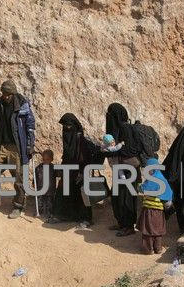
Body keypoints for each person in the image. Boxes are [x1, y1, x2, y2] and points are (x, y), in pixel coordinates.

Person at [0, 80, 35, 219]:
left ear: (13, 93)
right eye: (4, 94)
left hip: (17, 147)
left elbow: (30, 126)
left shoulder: (22, 104)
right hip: (1, 145)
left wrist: (30, 145)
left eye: (8, 94)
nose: (6, 96)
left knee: (19, 176)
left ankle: (18, 206)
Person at [49, 114, 104, 228]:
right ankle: (63, 215)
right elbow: (68, 155)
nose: (66, 129)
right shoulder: (68, 139)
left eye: (69, 126)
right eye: (64, 126)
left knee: (82, 194)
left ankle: (86, 219)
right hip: (68, 170)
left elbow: (92, 154)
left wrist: (83, 171)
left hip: (80, 171)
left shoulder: (81, 140)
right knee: (63, 191)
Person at [105, 103, 141, 236]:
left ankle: (129, 226)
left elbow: (132, 150)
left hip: (129, 170)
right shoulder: (115, 130)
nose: (108, 117)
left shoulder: (126, 129)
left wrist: (116, 150)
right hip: (119, 169)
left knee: (127, 198)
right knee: (117, 197)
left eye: (110, 115)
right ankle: (121, 222)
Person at [138, 158, 172, 254]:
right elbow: (168, 196)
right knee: (158, 230)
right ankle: (158, 248)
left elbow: (142, 189)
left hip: (149, 210)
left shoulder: (150, 181)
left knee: (147, 230)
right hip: (159, 211)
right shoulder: (162, 179)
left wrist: (139, 186)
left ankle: (148, 249)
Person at [35, 149, 57, 219]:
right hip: (40, 188)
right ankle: (39, 210)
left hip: (50, 189)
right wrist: (34, 183)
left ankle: (49, 212)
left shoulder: (54, 168)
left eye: (47, 159)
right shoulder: (38, 168)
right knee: (40, 201)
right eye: (43, 159)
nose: (45, 161)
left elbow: (58, 174)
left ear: (51, 159)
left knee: (49, 202)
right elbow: (35, 178)